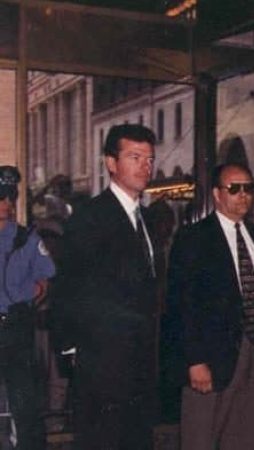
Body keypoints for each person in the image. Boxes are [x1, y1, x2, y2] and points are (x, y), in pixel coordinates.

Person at [51, 124, 160, 449]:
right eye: (135, 157)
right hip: (102, 365)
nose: (145, 166)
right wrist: (73, 351)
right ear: (111, 163)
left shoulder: (148, 219)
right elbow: (69, 288)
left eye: (149, 159)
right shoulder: (90, 217)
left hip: (140, 365)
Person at [167, 163, 254, 450]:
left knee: (245, 439)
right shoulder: (194, 238)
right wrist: (194, 360)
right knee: (199, 439)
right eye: (234, 188)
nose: (243, 195)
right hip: (210, 358)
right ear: (216, 194)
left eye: (248, 188)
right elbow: (181, 305)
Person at [0, 166, 53, 450]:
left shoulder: (26, 238)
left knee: (26, 407)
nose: (7, 203)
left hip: (16, 328)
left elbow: (46, 279)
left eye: (11, 196)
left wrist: (37, 291)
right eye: (1, 196)